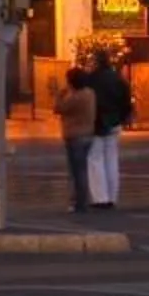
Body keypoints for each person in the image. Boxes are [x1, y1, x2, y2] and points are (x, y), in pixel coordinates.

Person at [85, 51, 132, 209]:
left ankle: (100, 197)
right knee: (112, 159)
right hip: (114, 121)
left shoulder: (91, 79)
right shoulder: (118, 78)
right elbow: (126, 99)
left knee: (95, 159)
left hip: (96, 123)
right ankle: (112, 196)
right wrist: (123, 117)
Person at [57, 67, 99, 214]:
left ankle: (80, 202)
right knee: (82, 169)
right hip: (88, 134)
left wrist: (60, 95)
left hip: (75, 136)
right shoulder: (90, 94)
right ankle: (82, 200)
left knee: (77, 171)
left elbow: (59, 108)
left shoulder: (75, 97)